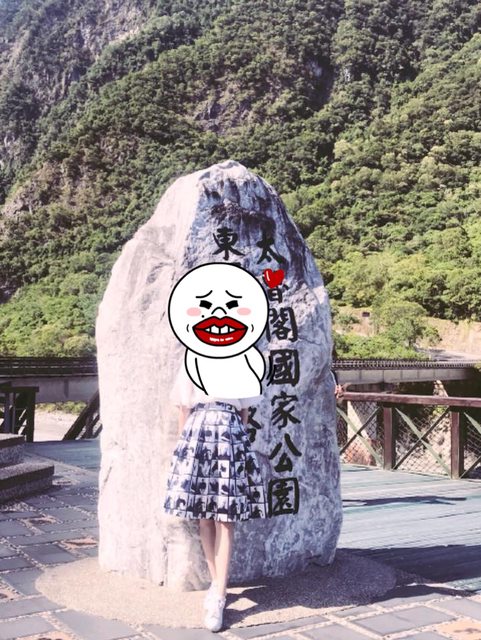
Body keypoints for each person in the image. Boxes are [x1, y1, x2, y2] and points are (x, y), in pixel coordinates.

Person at [163, 363, 268, 632]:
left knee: (226, 518)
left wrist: (238, 443)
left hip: (228, 432)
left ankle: (219, 593)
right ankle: (216, 584)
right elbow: (184, 407)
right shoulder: (192, 361)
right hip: (198, 431)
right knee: (204, 516)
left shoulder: (240, 361)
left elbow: (244, 412)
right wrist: (183, 451)